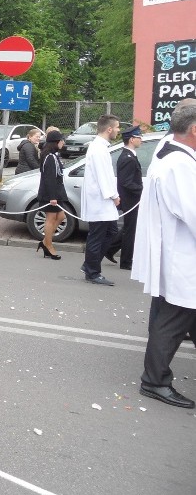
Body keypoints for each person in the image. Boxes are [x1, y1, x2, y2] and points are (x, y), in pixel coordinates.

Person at [131, 104, 196, 409]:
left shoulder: (170, 153)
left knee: (177, 316)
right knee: (171, 320)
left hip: (177, 254)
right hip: (182, 257)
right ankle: (154, 380)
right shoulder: (180, 165)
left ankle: (155, 378)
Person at [80, 114, 121, 286]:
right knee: (97, 236)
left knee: (110, 232)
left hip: (102, 200)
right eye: (117, 127)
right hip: (100, 200)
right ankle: (92, 271)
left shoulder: (101, 147)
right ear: (109, 129)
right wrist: (114, 195)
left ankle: (90, 263)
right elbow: (103, 175)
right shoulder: (98, 148)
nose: (119, 130)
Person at [105, 125, 143, 270]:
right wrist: (142, 190)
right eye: (139, 137)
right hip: (131, 199)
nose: (141, 140)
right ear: (132, 140)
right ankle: (126, 261)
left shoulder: (129, 155)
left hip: (132, 199)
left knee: (130, 228)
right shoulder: (127, 158)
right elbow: (127, 182)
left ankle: (110, 249)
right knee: (130, 230)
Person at [36, 131, 68, 260]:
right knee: (51, 219)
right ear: (56, 142)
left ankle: (45, 241)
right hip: (50, 194)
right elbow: (49, 178)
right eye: (61, 140)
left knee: (61, 216)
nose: (63, 143)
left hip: (56, 192)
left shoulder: (53, 155)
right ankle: (48, 246)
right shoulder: (49, 157)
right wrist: (52, 197)